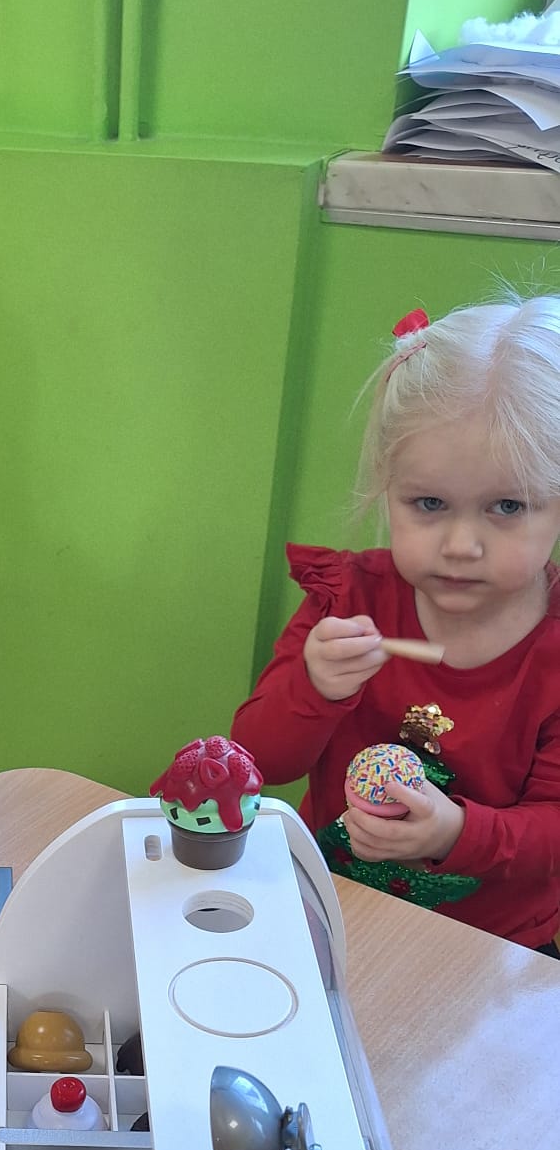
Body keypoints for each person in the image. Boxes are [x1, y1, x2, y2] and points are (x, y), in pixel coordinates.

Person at [232, 297, 560, 950]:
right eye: (429, 503)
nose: (461, 545)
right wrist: (315, 687)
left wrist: (455, 833)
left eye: (507, 506)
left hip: (493, 944)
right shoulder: (347, 601)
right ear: (388, 489)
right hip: (334, 903)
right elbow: (260, 761)